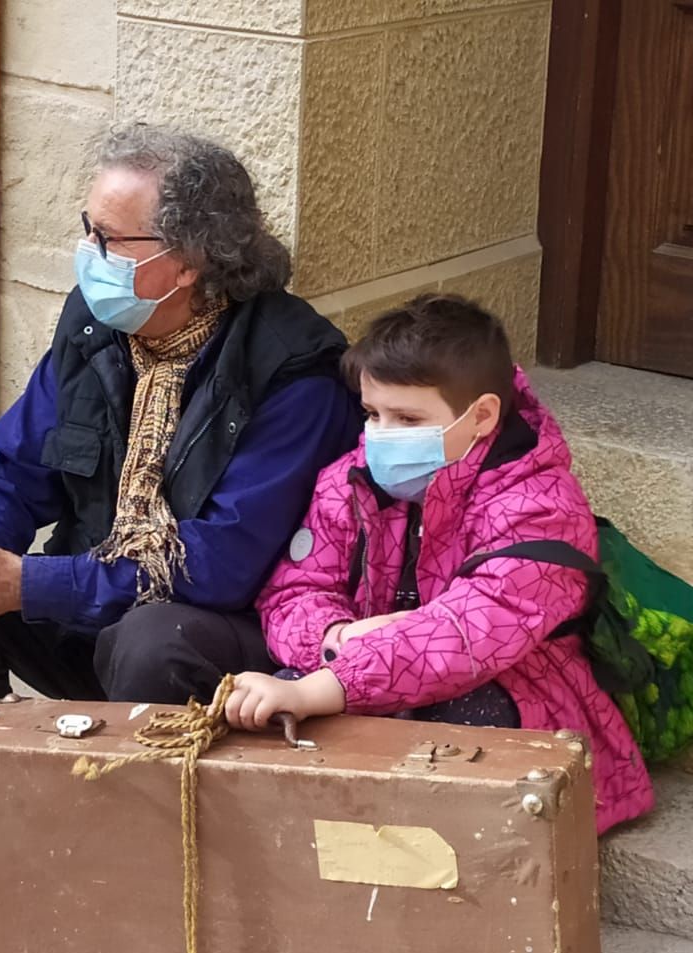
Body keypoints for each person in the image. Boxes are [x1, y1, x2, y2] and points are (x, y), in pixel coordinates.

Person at [0, 126, 361, 912]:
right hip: (95, 604)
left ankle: (124, 869)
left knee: (153, 637)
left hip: (226, 645)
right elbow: (14, 467)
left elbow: (219, 567)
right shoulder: (98, 325)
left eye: (109, 239)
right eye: (88, 231)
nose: (90, 255)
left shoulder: (294, 373)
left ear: (192, 258)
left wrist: (28, 584)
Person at [225, 294, 653, 833]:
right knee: (281, 707)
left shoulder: (541, 506)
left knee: (438, 723)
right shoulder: (348, 480)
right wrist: (338, 636)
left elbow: (464, 639)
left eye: (407, 418)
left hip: (519, 691)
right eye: (372, 414)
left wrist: (319, 687)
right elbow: (294, 592)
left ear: (482, 416)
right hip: (362, 666)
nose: (381, 435)